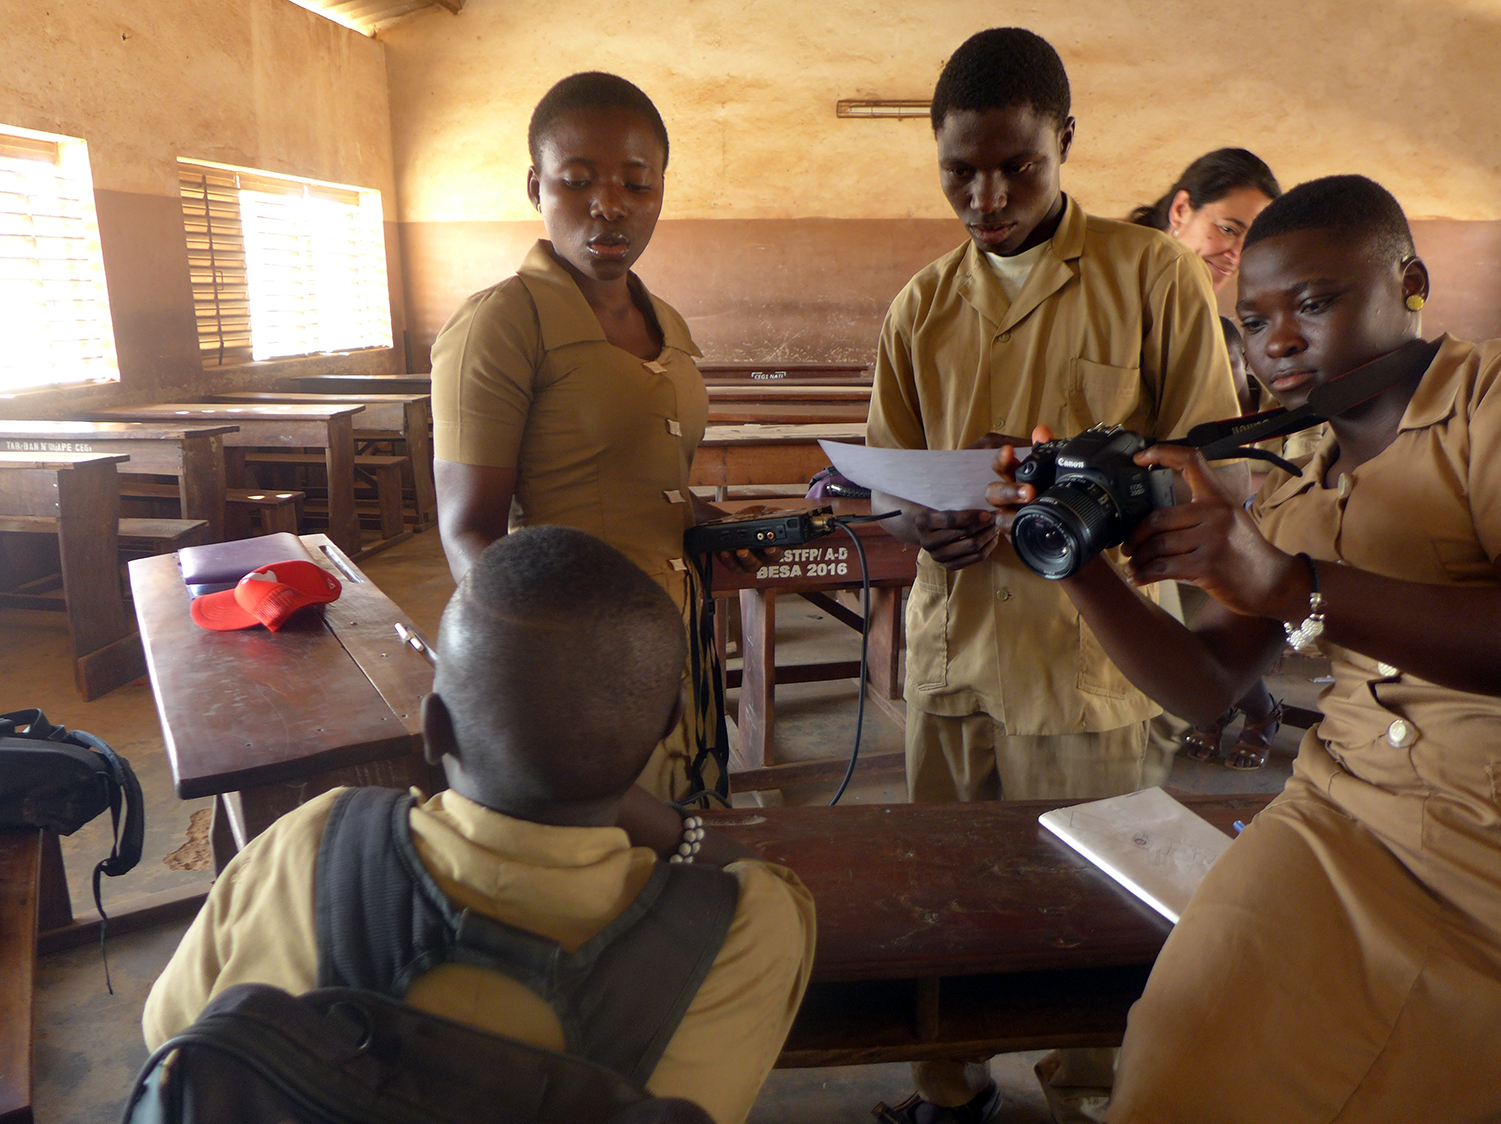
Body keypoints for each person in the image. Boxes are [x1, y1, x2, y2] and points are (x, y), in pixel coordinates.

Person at [985, 175, 1501, 1121]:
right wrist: (1069, 560)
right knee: (1178, 1059)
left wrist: (1295, 588)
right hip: (1337, 818)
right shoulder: (1291, 482)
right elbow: (1204, 684)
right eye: (1254, 321)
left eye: (1314, 303)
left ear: (1410, 282)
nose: (1280, 343)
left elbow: (1295, 598)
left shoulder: (1485, 405)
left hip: (1486, 851)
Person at [864, 27, 1243, 1124]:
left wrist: (1089, 500)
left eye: (1015, 164)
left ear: (1063, 141)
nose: (985, 194)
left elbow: (1213, 468)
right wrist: (920, 518)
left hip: (1095, 656)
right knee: (940, 893)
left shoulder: (1152, 277)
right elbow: (893, 471)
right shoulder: (920, 307)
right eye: (959, 171)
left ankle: (1087, 1093)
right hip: (952, 654)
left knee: (1101, 904)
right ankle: (949, 1082)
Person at [142, 527, 817, 1124]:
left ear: (433, 729)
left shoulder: (311, 840)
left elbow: (169, 1031)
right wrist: (638, 795)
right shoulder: (747, 925)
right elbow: (757, 877)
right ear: (667, 728)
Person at [429, 72, 764, 803]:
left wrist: (706, 522)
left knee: (677, 851)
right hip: (572, 680)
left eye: (637, 187)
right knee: (588, 877)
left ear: (662, 192)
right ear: (535, 185)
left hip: (677, 650)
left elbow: (642, 484)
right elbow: (469, 533)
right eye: (577, 181)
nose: (608, 206)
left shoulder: (667, 325)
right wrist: (558, 683)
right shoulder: (500, 324)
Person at [1173, 316, 1285, 771]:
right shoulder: (1187, 416)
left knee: (1230, 634)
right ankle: (1217, 710)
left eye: (1230, 364)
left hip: (1265, 542)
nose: (1220, 376)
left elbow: (1299, 466)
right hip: (1188, 547)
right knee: (1191, 638)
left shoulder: (1283, 405)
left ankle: (1261, 713)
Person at [1127, 148, 1280, 292]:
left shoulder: (1211, 319)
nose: (1238, 257)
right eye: (1228, 230)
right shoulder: (1109, 292)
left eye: (1252, 241)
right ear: (1180, 210)